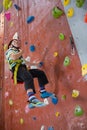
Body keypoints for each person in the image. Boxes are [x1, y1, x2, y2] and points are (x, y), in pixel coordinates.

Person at [5, 32, 53, 109]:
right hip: (17, 70)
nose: (17, 42)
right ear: (10, 45)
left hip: (23, 69)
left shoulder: (18, 53)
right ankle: (32, 100)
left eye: (18, 41)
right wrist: (21, 52)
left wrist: (36, 65)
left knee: (40, 73)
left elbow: (26, 62)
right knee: (28, 77)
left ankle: (43, 92)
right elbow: (13, 58)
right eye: (14, 41)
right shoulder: (9, 51)